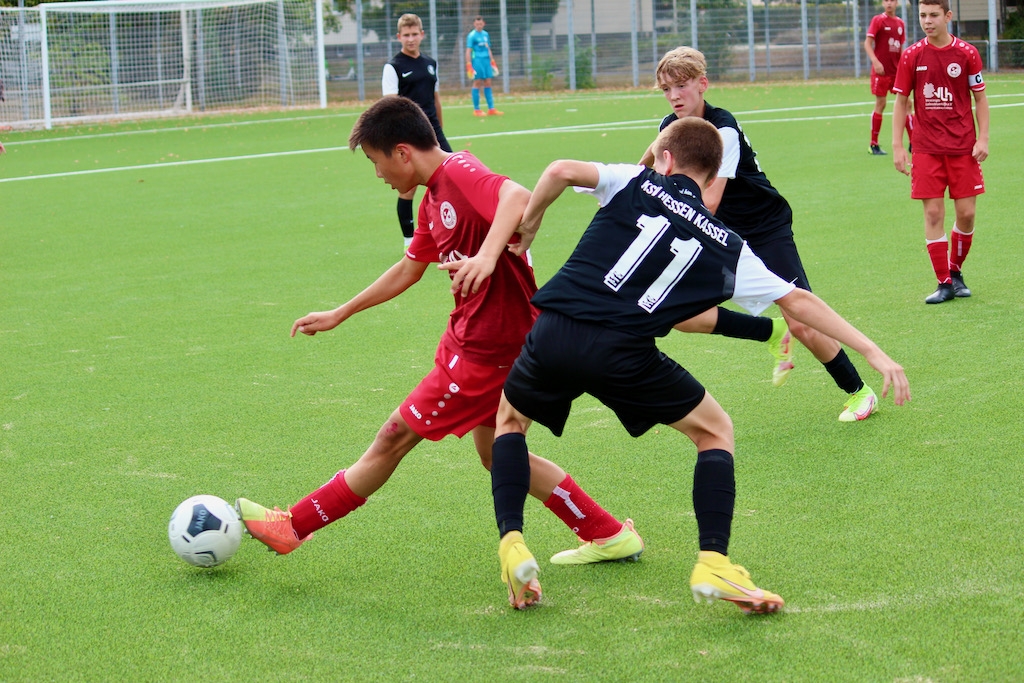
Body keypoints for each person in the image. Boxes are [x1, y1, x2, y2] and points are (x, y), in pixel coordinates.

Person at [443, 117, 910, 612]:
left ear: (665, 159)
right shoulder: (728, 245)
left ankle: (513, 542)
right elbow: (797, 301)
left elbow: (559, 170)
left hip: (555, 328)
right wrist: (872, 350)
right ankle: (713, 562)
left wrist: (532, 220)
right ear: (711, 177)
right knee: (714, 431)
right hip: (623, 353)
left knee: (510, 424)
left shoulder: (636, 179)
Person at [235, 96, 643, 580]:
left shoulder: (460, 172)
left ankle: (293, 526)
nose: (378, 174)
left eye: (376, 161)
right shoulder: (432, 197)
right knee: (497, 454)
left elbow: (516, 196)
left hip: (487, 353)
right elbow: (410, 268)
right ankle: (607, 533)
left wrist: (487, 256)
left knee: (393, 437)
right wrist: (341, 312)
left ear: (402, 152)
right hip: (488, 344)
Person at [640, 47, 879, 423]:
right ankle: (770, 332)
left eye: (681, 85)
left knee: (802, 319)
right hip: (721, 232)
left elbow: (709, 202)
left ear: (702, 84)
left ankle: (859, 391)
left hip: (763, 226)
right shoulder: (670, 126)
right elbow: (654, 162)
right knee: (678, 309)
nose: (674, 96)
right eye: (666, 89)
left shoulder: (723, 130)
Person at [892, 0, 988, 304]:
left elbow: (980, 99)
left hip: (963, 148)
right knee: (933, 213)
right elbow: (900, 102)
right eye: (922, 15)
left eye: (933, 15)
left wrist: (983, 139)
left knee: (967, 214)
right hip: (926, 149)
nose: (927, 21)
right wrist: (897, 146)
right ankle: (944, 282)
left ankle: (955, 271)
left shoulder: (967, 53)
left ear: (947, 16)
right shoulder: (912, 55)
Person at [382, 13, 452, 249]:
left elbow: (435, 98)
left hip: (433, 133)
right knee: (409, 188)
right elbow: (390, 105)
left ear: (422, 35)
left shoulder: (430, 63)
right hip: (408, 135)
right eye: (406, 35)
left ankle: (448, 231)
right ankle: (409, 241)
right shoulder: (393, 67)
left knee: (450, 178)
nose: (410, 39)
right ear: (399, 37)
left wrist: (439, 130)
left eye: (414, 34)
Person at [864, 0, 912, 155]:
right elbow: (867, 43)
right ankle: (873, 144)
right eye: (886, 0)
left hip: (896, 71)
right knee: (881, 103)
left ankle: (913, 143)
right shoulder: (878, 20)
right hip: (881, 72)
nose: (889, 3)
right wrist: (875, 62)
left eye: (892, 0)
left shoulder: (900, 23)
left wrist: (904, 65)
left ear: (896, 3)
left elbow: (901, 47)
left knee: (907, 103)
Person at [465, 16, 503, 117]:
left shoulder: (486, 34)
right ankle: (476, 109)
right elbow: (468, 51)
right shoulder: (471, 36)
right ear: (474, 24)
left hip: (486, 61)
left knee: (488, 82)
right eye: (477, 24)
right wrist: (469, 64)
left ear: (484, 24)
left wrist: (492, 61)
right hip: (477, 61)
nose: (479, 26)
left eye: (480, 24)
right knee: (477, 82)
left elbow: (488, 48)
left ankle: (491, 108)